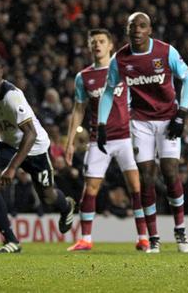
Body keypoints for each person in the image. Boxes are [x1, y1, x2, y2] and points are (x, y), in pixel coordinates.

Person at [98, 12, 188, 253]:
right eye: (133, 26)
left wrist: (181, 113)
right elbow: (109, 91)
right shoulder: (119, 59)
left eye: (142, 26)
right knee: (146, 177)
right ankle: (153, 237)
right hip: (141, 121)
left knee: (170, 172)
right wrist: (101, 124)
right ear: (127, 30)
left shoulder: (165, 52)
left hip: (168, 119)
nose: (137, 30)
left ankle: (180, 229)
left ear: (150, 30)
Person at [0, 53, 76, 253]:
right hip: (8, 144)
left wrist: (11, 168)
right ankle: (11, 241)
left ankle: (66, 207)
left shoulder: (12, 96)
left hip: (35, 147)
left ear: (1, 72)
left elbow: (30, 134)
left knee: (47, 196)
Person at [65, 29, 147, 252]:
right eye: (93, 42)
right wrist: (70, 141)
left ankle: (143, 237)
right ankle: (86, 239)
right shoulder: (84, 77)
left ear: (110, 45)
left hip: (125, 138)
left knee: (136, 187)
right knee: (90, 188)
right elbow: (78, 109)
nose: (97, 45)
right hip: (97, 140)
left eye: (101, 41)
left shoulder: (123, 70)